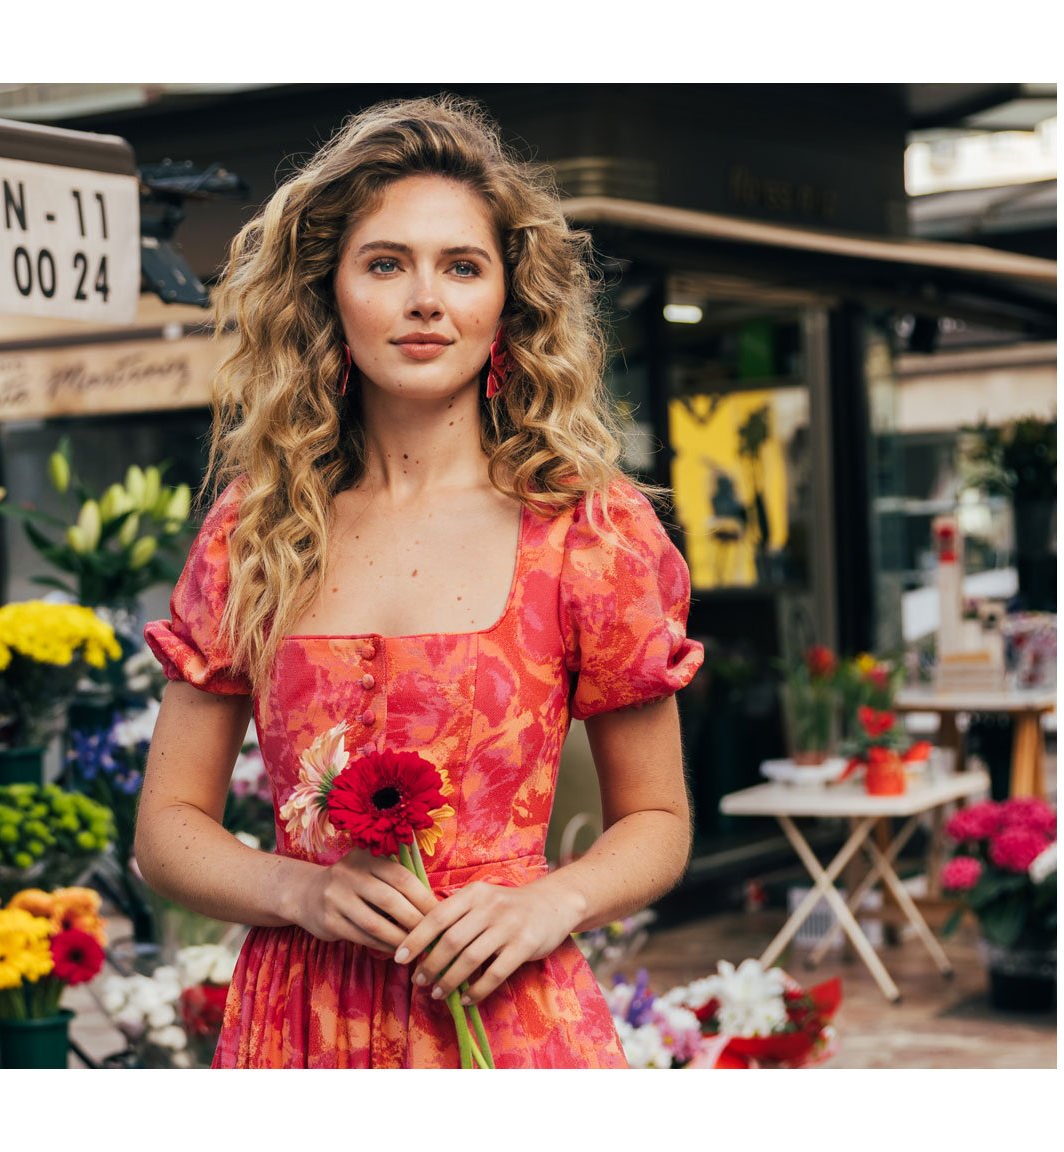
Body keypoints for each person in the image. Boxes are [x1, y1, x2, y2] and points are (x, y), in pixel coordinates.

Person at [137, 94, 703, 1068]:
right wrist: (298, 891)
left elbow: (656, 819)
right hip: (300, 1028)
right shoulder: (256, 529)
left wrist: (551, 901)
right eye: (386, 263)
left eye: (463, 266)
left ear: (506, 302)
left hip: (511, 1020)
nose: (426, 299)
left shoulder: (587, 528)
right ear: (329, 291)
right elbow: (165, 828)